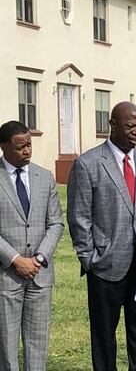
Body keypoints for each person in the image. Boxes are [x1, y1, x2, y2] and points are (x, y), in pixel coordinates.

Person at [67, 101, 136, 371]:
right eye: (129, 126)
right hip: (105, 267)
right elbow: (79, 218)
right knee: (103, 336)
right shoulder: (87, 164)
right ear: (111, 125)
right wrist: (89, 259)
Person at [0, 121, 64, 371]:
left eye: (29, 144)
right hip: (6, 277)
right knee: (6, 346)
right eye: (20, 147)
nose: (27, 150)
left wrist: (39, 258)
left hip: (40, 276)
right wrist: (16, 259)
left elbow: (56, 223)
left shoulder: (44, 177)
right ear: (4, 147)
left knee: (38, 344)